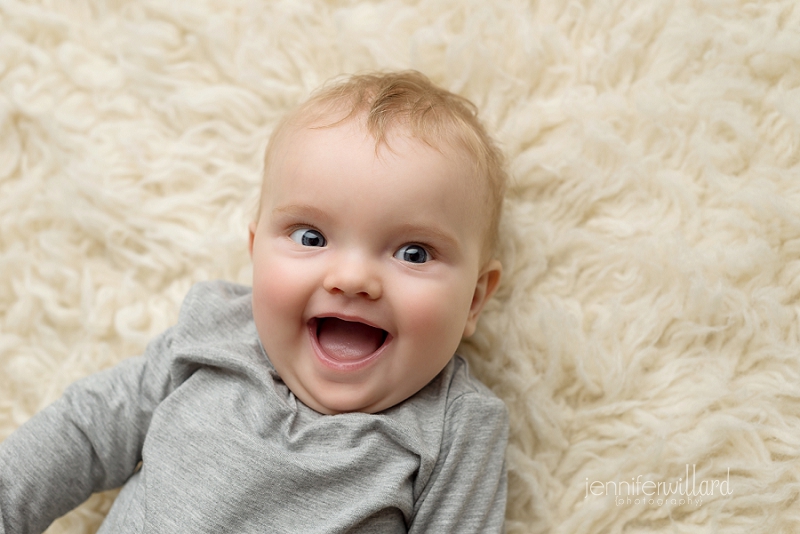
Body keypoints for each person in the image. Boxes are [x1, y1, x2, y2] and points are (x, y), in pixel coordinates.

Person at [0, 70, 509, 533]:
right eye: (311, 238)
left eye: (413, 253)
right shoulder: (213, 332)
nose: (353, 278)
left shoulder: (455, 430)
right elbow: (85, 431)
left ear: (473, 301)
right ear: (254, 252)